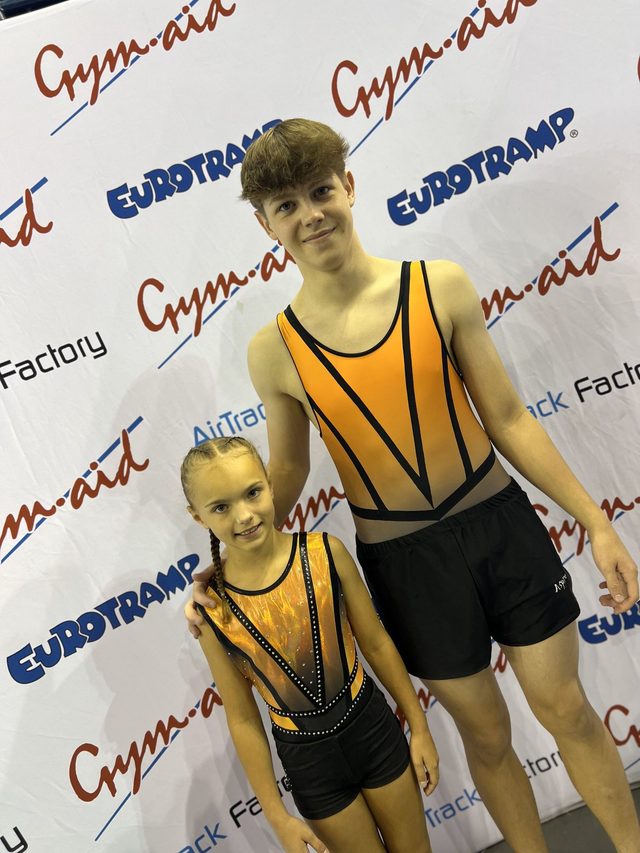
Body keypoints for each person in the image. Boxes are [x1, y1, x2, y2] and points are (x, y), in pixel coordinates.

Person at [185, 119, 640, 853]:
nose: (310, 215)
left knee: (566, 708)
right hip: (407, 566)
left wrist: (595, 519)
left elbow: (507, 417)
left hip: (501, 527)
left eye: (320, 191)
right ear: (266, 225)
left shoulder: (438, 286)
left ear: (349, 186)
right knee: (486, 737)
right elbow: (288, 473)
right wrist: (229, 567)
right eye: (286, 206)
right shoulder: (273, 350)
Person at [181, 436, 438, 853]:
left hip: (373, 731)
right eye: (221, 507)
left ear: (270, 484)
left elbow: (375, 643)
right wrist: (277, 816)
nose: (244, 515)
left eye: (252, 492)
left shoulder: (325, 553)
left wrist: (420, 726)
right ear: (198, 517)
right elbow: (243, 718)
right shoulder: (212, 611)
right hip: (311, 767)